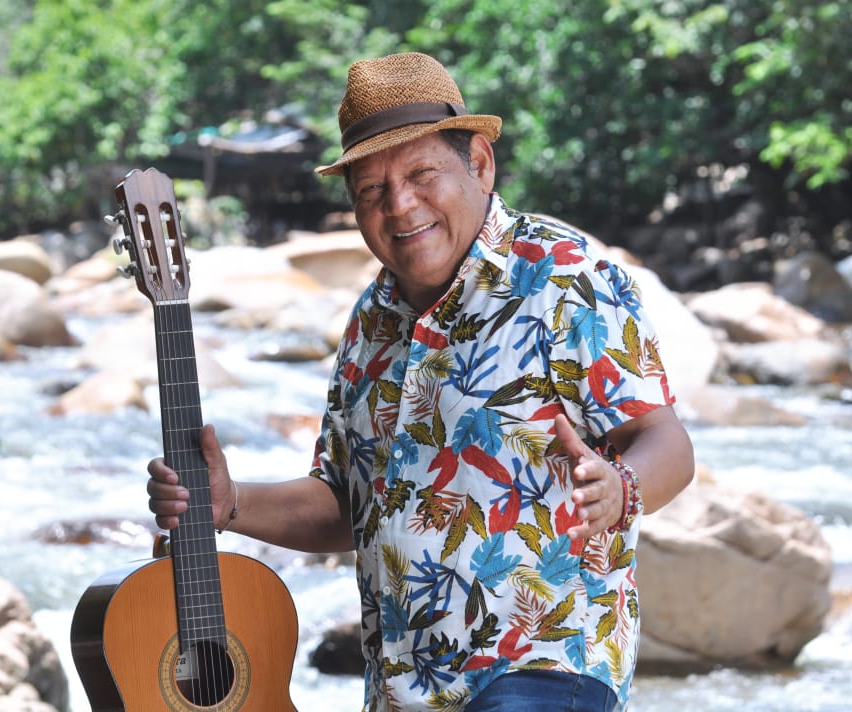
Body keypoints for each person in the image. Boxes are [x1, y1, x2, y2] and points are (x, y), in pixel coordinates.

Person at [147, 52, 694, 712]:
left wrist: (623, 487)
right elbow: (349, 505)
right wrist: (230, 503)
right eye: (371, 191)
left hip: (545, 666)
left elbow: (666, 441)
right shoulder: (369, 325)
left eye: (421, 174)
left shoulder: (565, 279)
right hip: (403, 692)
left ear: (480, 164)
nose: (400, 205)